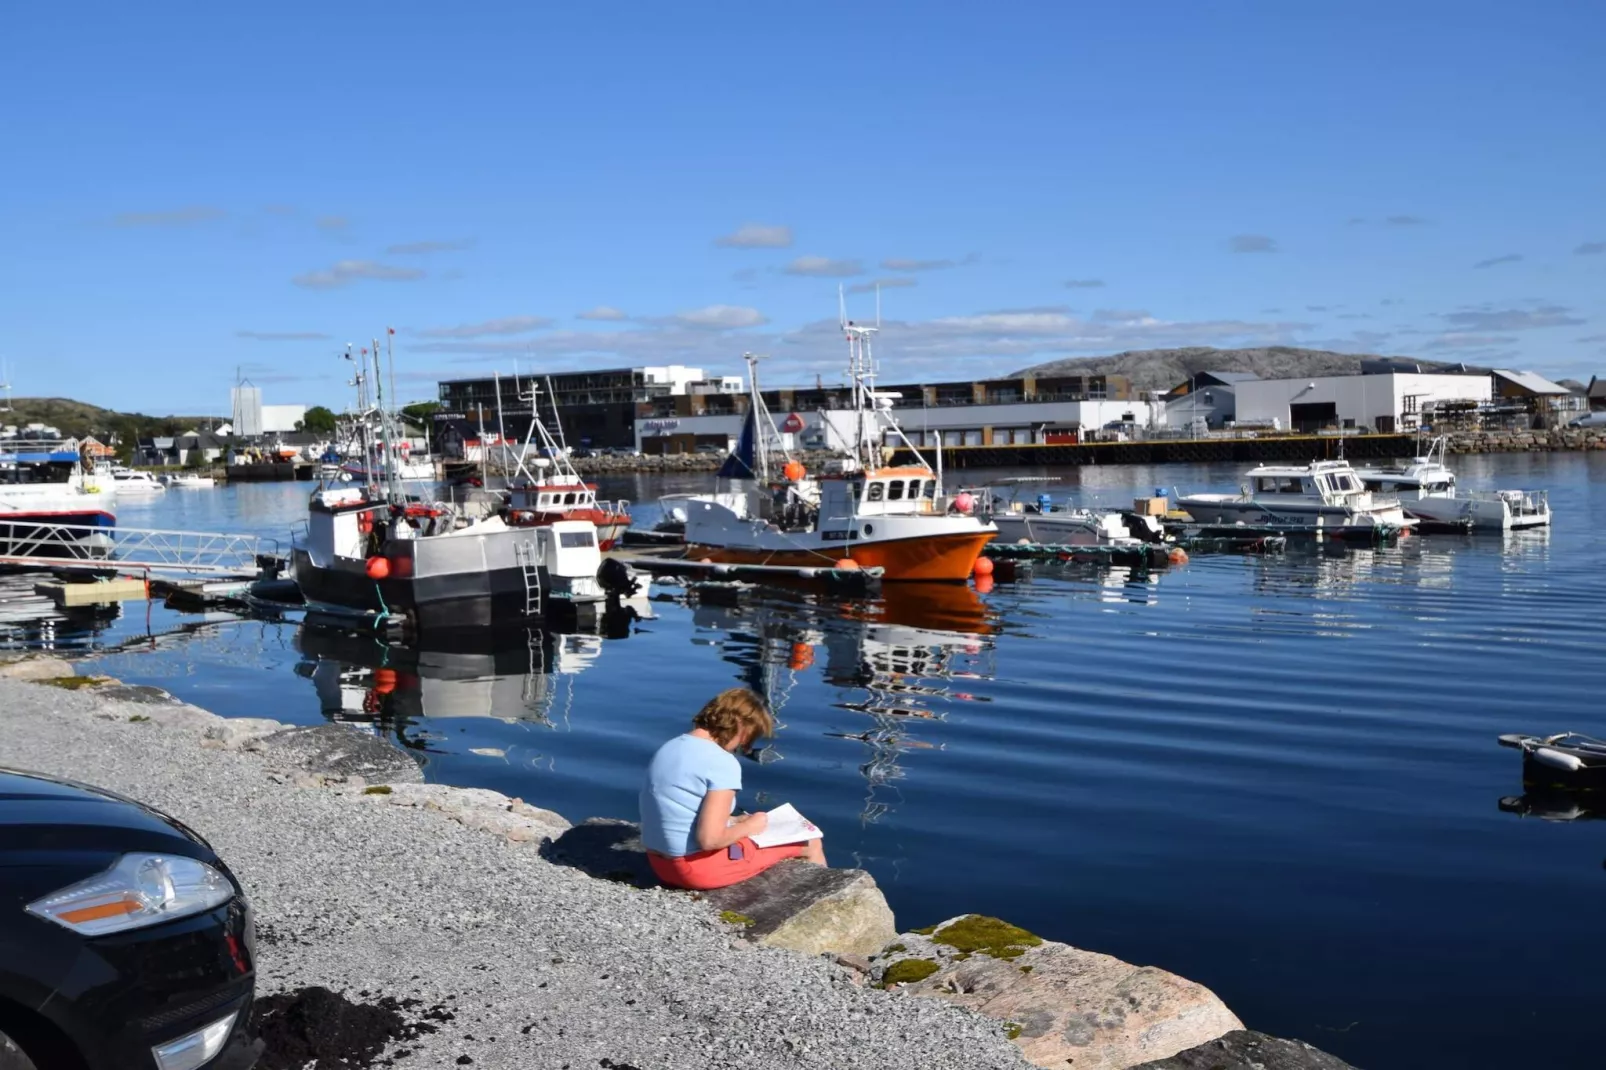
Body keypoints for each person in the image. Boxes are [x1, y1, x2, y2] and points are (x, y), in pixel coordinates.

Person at [640, 687, 826, 890]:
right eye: (750, 736)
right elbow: (709, 840)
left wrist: (734, 821)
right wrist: (749, 827)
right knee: (811, 841)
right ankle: (827, 904)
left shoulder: (670, 747)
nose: (745, 746)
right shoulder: (721, 762)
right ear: (739, 724)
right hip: (695, 869)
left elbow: (681, 812)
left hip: (660, 864)